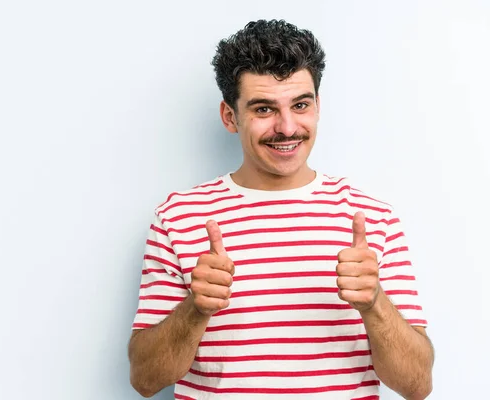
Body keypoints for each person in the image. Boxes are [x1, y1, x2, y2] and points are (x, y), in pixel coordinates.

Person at [127, 19, 434, 400]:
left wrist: (375, 304)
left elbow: (418, 385)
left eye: (300, 105)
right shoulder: (179, 217)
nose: (287, 128)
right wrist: (196, 308)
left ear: (318, 107)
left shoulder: (373, 218)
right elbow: (144, 380)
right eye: (263, 109)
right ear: (229, 116)